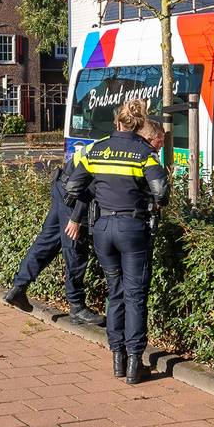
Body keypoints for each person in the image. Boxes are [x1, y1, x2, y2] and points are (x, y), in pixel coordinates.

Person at [64, 99, 168, 385]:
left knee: (115, 291)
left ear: (117, 121)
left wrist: (99, 195)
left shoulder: (97, 149)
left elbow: (72, 186)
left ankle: (117, 359)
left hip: (103, 229)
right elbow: (161, 191)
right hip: (132, 228)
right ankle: (135, 363)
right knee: (135, 295)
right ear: (139, 124)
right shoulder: (144, 153)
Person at [2, 151, 105, 327]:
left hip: (62, 185)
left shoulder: (107, 143)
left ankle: (19, 287)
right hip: (73, 193)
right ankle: (77, 307)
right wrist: (76, 218)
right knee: (75, 247)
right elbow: (86, 186)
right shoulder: (115, 151)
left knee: (47, 241)